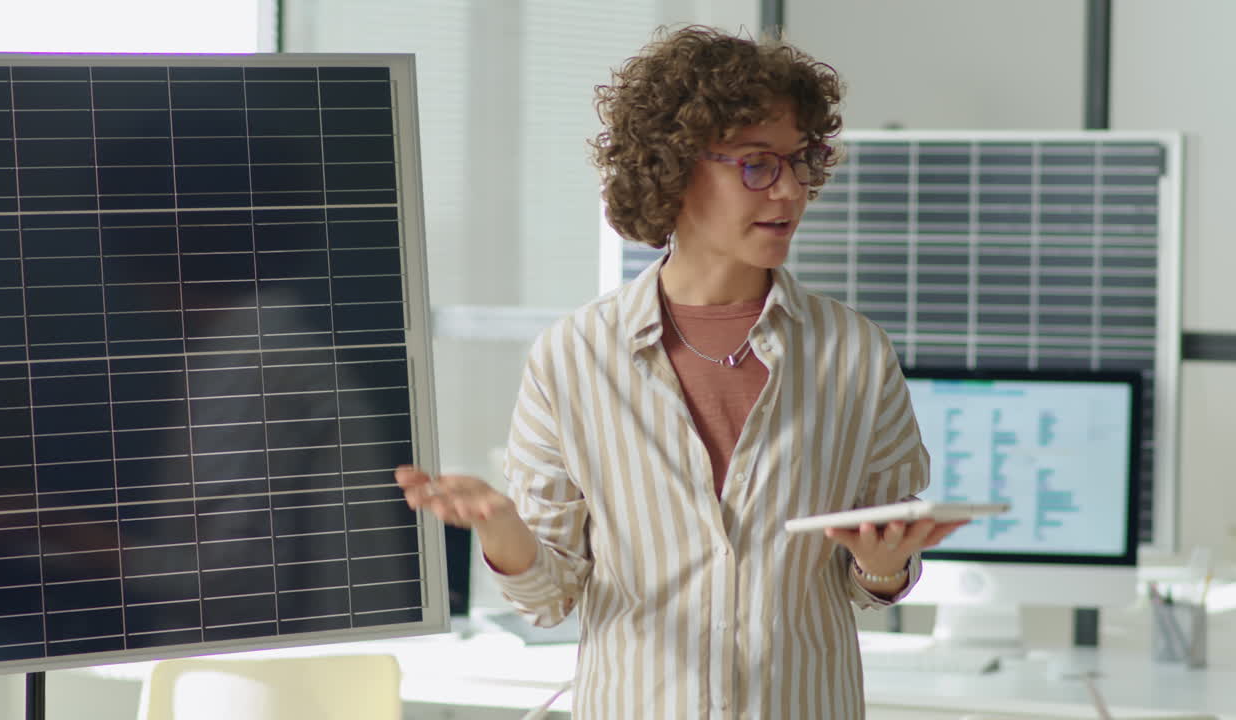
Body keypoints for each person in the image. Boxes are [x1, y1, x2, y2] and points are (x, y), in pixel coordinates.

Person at [396, 24, 967, 719]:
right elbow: (549, 594)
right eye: (758, 164)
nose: (790, 192)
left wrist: (885, 562)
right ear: (674, 166)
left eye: (801, 161)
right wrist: (501, 529)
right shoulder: (574, 357)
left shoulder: (855, 354)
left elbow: (873, 578)